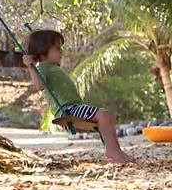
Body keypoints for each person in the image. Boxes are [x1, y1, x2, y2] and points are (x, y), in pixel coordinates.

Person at [22, 30, 134, 164]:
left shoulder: (53, 67)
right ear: (43, 52)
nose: (61, 52)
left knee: (108, 117)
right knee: (103, 116)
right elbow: (39, 86)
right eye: (57, 49)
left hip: (75, 107)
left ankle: (117, 151)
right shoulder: (42, 69)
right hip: (67, 109)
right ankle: (112, 153)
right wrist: (30, 67)